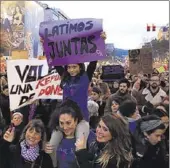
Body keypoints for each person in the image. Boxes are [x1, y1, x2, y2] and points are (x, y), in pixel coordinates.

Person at [41, 32, 107, 167]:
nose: (71, 70)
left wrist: (101, 41)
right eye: (69, 67)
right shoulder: (64, 77)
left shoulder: (86, 76)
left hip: (82, 118)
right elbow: (54, 61)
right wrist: (45, 45)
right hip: (64, 117)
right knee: (52, 146)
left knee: (80, 147)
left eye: (74, 67)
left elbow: (93, 61)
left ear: (80, 67)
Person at [47, 99, 85, 168]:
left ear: (76, 120)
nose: (65, 127)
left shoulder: (85, 137)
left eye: (68, 123)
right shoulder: (56, 137)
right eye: (61, 123)